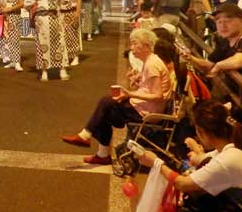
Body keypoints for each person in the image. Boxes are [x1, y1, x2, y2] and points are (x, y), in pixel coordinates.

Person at [61, 28, 171, 163]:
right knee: (103, 113)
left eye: (135, 44)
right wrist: (136, 81)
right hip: (144, 107)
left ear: (147, 46)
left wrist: (129, 94)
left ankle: (87, 138)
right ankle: (100, 152)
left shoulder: (152, 64)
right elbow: (148, 88)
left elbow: (158, 95)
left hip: (147, 112)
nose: (132, 48)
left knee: (106, 102)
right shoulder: (151, 61)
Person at [185, 3, 242, 81]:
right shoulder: (225, 42)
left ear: (241, 20)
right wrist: (190, 58)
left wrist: (219, 66)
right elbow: (208, 65)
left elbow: (238, 61)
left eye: (228, 21)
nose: (223, 26)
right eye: (218, 21)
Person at [26, 0, 70, 82]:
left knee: (42, 44)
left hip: (41, 18)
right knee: (59, 43)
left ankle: (44, 73)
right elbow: (63, 2)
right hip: (55, 17)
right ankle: (62, 71)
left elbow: (27, 4)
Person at [0, 0, 25, 72]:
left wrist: (10, 9)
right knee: (4, 39)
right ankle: (10, 60)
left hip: (14, 16)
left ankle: (17, 61)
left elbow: (22, 3)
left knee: (14, 38)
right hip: (2, 16)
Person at [56, 0, 81, 67]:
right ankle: (65, 55)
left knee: (72, 34)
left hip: (71, 11)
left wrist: (78, 12)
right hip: (61, 13)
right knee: (62, 35)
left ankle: (75, 56)